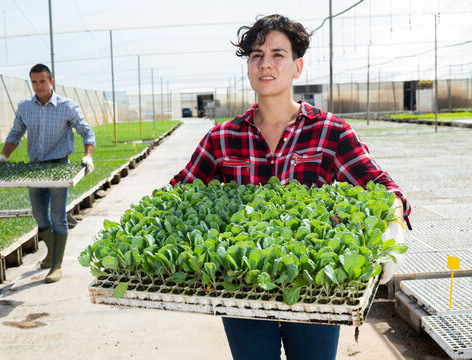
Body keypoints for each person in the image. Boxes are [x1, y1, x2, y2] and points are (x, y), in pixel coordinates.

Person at [170, 15, 410, 360]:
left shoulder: (331, 133)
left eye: (277, 54)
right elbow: (176, 195)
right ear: (248, 67)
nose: (265, 64)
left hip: (315, 289)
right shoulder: (222, 138)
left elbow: (384, 189)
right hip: (243, 291)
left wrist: (392, 231)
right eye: (256, 55)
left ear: (297, 67)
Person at [0, 63, 96, 283]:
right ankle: (51, 255)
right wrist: (4, 156)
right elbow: (15, 133)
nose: (38, 86)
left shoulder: (67, 106)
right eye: (34, 82)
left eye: (42, 81)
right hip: (35, 168)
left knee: (58, 214)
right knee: (39, 214)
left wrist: (88, 155)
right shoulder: (25, 106)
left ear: (51, 82)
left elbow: (86, 131)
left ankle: (56, 266)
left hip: (60, 166)